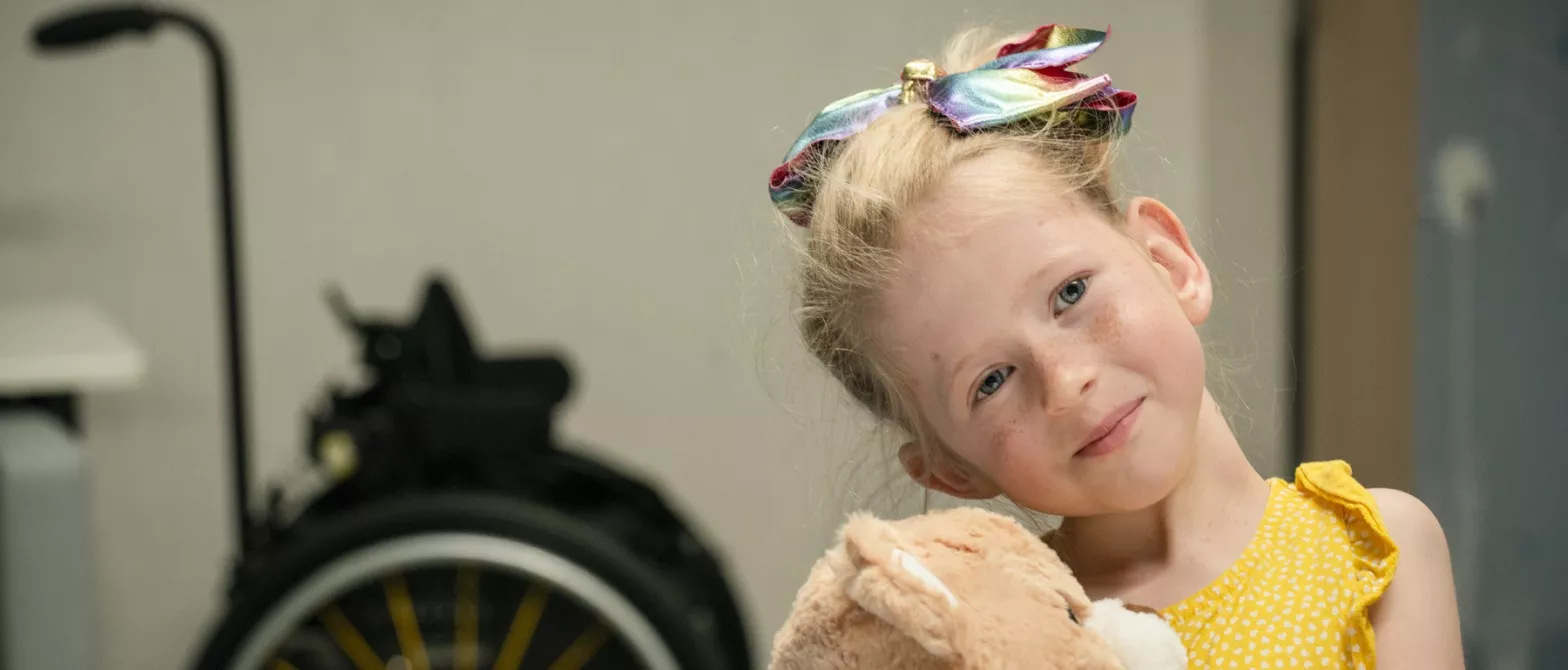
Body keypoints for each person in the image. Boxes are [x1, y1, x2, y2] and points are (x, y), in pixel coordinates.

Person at [766, 23, 1463, 669]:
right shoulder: (1003, 637)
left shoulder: (1376, 550)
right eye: (992, 380)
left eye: (1070, 293)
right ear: (951, 470)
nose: (1065, 382)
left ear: (1170, 261)